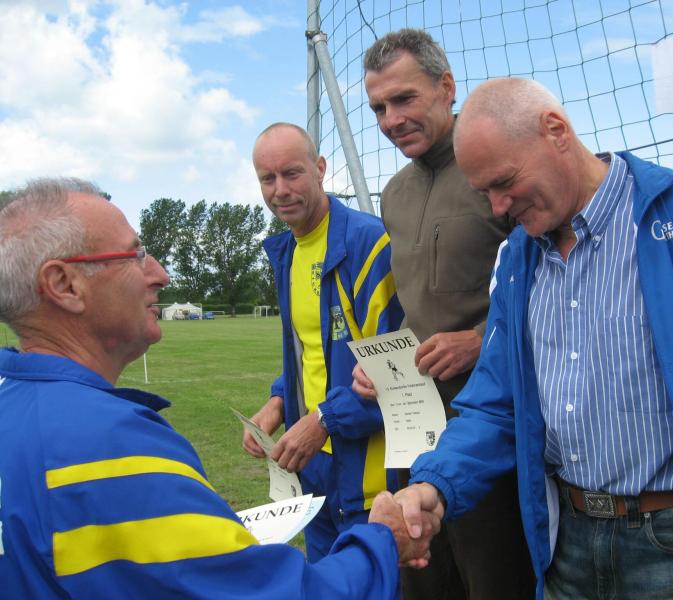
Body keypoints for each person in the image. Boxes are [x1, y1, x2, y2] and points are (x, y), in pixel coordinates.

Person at [393, 77, 673, 600]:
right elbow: (495, 407)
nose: (497, 207)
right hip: (568, 544)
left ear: (556, 130)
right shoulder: (516, 260)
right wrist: (436, 483)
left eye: (504, 182)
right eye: (484, 192)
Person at [0, 178, 440, 598]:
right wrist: (383, 542)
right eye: (135, 255)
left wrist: (280, 398)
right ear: (64, 285)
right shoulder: (108, 448)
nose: (161, 275)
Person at [360, 28, 535, 600]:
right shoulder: (394, 194)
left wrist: (481, 340)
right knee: (421, 576)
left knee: (495, 581)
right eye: (379, 108)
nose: (391, 120)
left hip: (493, 429)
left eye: (404, 99)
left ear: (447, 87)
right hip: (415, 431)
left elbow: (554, 289)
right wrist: (382, 364)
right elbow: (417, 308)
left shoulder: (498, 170)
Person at [244, 123, 405, 562]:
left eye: (292, 173)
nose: (280, 190)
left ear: (319, 168)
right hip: (312, 469)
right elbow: (310, 352)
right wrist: (278, 401)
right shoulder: (287, 253)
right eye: (267, 178)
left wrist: (323, 420)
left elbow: (397, 370)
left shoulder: (369, 243)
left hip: (370, 478)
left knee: (373, 586)